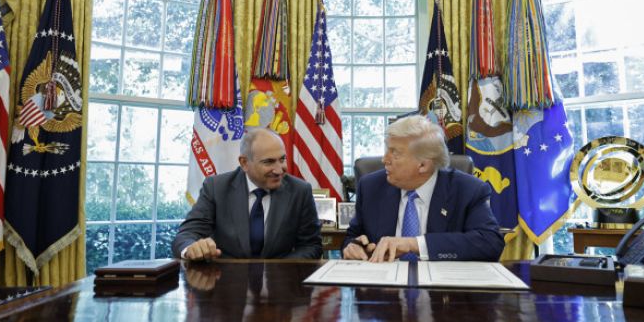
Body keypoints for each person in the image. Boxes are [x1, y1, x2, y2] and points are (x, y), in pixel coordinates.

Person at [342, 115, 504, 262]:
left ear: (423, 165)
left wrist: (414, 244)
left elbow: (490, 243)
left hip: (442, 282)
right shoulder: (371, 187)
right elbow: (353, 236)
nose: (384, 159)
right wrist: (353, 246)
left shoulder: (467, 190)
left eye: (395, 153)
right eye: (387, 150)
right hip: (385, 282)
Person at [173, 127, 322, 260]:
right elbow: (187, 235)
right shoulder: (216, 188)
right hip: (226, 279)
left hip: (280, 278)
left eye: (282, 159)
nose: (279, 170)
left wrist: (278, 270)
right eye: (269, 162)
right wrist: (191, 249)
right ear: (244, 163)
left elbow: (311, 246)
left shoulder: (300, 191)